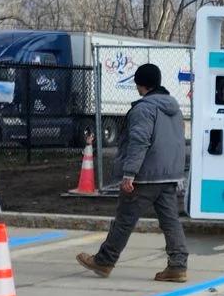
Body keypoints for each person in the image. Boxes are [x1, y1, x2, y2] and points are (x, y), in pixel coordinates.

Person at [79, 63, 188, 282]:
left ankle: (104, 261)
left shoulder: (143, 109)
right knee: (170, 221)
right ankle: (178, 266)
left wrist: (129, 174)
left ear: (141, 84)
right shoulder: (174, 108)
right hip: (169, 175)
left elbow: (139, 141)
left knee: (124, 220)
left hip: (145, 176)